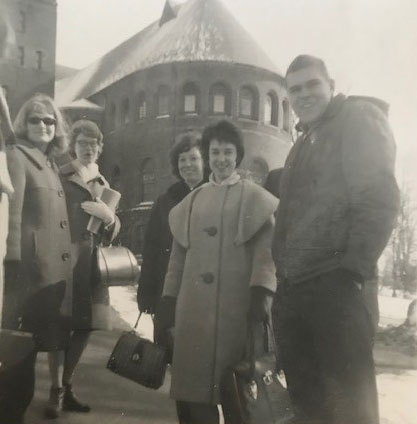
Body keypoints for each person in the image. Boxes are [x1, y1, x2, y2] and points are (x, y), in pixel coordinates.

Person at [271, 55, 399, 424]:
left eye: (312, 84)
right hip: (296, 291)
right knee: (309, 407)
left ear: (331, 85)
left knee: (349, 409)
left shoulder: (356, 118)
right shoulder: (302, 141)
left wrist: (349, 273)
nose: (304, 94)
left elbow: (377, 198)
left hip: (334, 288)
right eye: (295, 89)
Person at [157, 120, 278, 424]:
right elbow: (177, 260)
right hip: (192, 316)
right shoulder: (191, 201)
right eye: (215, 152)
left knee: (238, 395)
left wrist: (261, 295)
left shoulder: (255, 198)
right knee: (194, 398)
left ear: (238, 155)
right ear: (208, 156)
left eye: (228, 152)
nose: (221, 159)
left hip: (238, 314)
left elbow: (266, 254)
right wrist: (168, 303)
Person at [1, 94, 73, 422]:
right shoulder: (18, 156)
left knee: (27, 356)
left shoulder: (50, 164)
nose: (43, 125)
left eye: (49, 121)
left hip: (49, 278)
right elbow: (12, 217)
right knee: (17, 360)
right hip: (27, 276)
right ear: (23, 124)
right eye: (35, 120)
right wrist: (13, 267)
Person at [59, 119, 120, 414]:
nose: (88, 149)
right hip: (65, 259)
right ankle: (55, 390)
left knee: (85, 327)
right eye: (82, 143)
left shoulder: (104, 184)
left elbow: (113, 229)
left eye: (93, 144)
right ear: (73, 146)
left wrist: (109, 217)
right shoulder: (62, 176)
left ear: (100, 148)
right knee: (59, 325)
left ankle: (66, 385)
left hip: (92, 265)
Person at [137, 132, 206, 316]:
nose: (187, 164)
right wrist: (146, 292)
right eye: (182, 160)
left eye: (193, 158)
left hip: (203, 291)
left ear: (205, 161)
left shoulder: (216, 196)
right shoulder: (165, 202)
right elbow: (151, 249)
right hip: (166, 290)